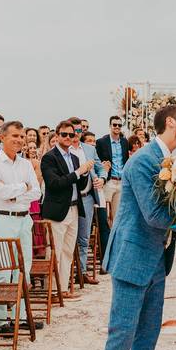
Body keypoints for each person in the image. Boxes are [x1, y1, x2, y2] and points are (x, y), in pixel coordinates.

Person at [97, 105, 176, 350]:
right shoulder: (141, 162)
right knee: (121, 332)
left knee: (149, 331)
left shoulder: (171, 161)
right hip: (132, 256)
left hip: (157, 258)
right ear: (170, 123)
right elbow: (154, 214)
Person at [0, 121, 42, 333]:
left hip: (24, 219)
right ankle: (0, 321)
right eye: (15, 136)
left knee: (24, 269)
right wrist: (22, 188)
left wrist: (15, 192)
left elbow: (37, 192)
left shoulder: (25, 164)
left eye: (22, 136)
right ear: (3, 137)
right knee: (3, 270)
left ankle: (21, 316)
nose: (19, 140)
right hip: (3, 219)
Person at [41, 119, 94, 298]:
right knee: (54, 252)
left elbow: (79, 185)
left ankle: (62, 289)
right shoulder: (50, 157)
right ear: (57, 136)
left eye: (71, 135)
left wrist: (85, 173)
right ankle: (51, 290)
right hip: (57, 210)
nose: (68, 137)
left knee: (68, 251)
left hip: (73, 208)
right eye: (64, 134)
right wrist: (79, 172)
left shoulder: (74, 157)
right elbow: (55, 183)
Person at [69, 117, 105, 285]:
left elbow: (100, 167)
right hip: (69, 199)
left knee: (83, 238)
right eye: (73, 131)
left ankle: (81, 272)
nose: (76, 134)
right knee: (69, 238)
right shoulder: (64, 149)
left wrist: (102, 179)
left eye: (79, 131)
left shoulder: (89, 149)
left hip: (87, 197)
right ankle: (67, 273)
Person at [97, 115, 131, 222]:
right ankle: (107, 237)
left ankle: (115, 237)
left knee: (117, 215)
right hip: (108, 181)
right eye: (114, 124)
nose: (117, 127)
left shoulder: (125, 142)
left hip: (120, 182)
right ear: (110, 126)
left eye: (119, 125)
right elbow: (97, 162)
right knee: (105, 215)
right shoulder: (101, 142)